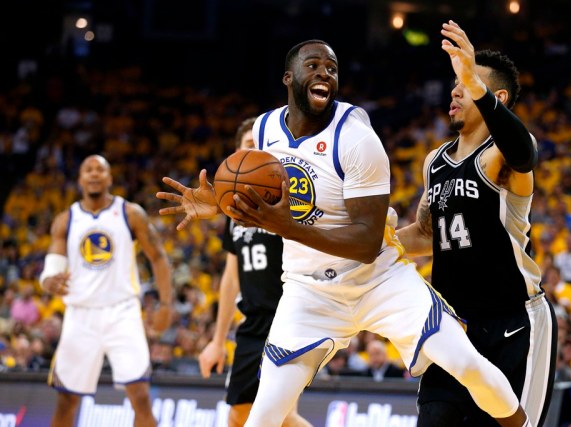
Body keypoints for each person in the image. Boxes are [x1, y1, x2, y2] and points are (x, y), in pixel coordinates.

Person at [157, 33, 532, 427]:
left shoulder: (356, 137)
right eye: (314, 66)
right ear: (289, 78)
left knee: (466, 363)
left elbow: (367, 244)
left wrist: (287, 226)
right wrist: (219, 202)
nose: (324, 73)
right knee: (262, 417)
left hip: (378, 281)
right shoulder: (266, 130)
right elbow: (255, 196)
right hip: (309, 290)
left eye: (332, 68)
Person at [395, 21, 557, 426]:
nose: (454, 89)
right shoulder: (434, 161)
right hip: (454, 326)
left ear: (494, 96)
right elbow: (425, 235)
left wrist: (476, 83)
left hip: (514, 323)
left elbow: (524, 154)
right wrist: (367, 247)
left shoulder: (505, 154)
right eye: (455, 81)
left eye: (465, 82)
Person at [40, 154, 173, 427]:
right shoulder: (65, 220)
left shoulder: (129, 213)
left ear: (109, 178)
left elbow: (158, 257)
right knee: (67, 400)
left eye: (100, 169)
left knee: (140, 395)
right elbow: (52, 267)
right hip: (80, 315)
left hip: (122, 312)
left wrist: (166, 304)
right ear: (80, 179)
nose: (94, 174)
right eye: (87, 170)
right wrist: (47, 281)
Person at [197, 118, 311, 427]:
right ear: (236, 155)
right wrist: (217, 340)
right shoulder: (232, 212)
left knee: (280, 416)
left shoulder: (289, 200)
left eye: (261, 144)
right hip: (252, 323)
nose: (254, 150)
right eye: (248, 144)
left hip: (286, 317)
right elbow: (231, 277)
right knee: (241, 416)